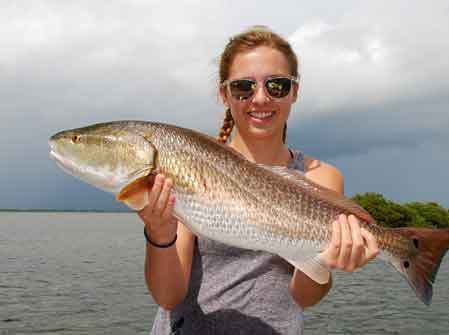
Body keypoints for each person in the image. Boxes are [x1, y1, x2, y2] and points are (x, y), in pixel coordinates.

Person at [140, 26, 379, 335]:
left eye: (277, 85)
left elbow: (304, 296)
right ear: (224, 94)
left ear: (295, 91)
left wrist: (331, 261)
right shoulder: (194, 166)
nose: (261, 98)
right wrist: (159, 234)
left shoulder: (322, 178)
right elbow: (168, 296)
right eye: (243, 88)